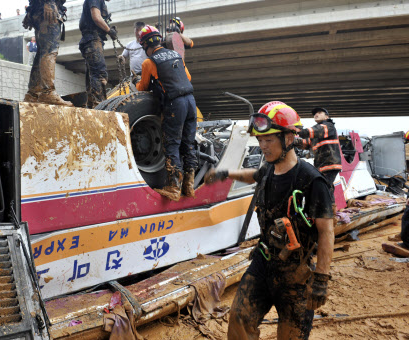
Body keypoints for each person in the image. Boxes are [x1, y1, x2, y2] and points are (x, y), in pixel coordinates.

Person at [205, 101, 335, 339]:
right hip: (263, 264)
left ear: (288, 138)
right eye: (260, 141)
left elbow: (326, 230)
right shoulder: (269, 170)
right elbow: (253, 175)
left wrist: (322, 279)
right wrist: (225, 173)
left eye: (269, 140)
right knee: (239, 320)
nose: (263, 146)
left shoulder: (312, 181)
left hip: (296, 274)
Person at [136, 25, 197, 201]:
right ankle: (189, 186)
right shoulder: (176, 55)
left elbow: (143, 87)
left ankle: (174, 188)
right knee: (188, 143)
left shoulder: (149, 62)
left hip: (175, 104)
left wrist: (137, 81)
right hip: (190, 101)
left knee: (172, 144)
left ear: (146, 45)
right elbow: (188, 77)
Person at [22, 0, 73, 106]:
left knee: (42, 52)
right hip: (47, 8)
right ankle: (48, 92)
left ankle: (33, 94)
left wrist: (32, 9)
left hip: (39, 9)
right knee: (50, 51)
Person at [294, 107, 342, 196]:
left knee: (323, 187)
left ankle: (327, 207)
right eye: (315, 113)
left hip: (330, 164)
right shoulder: (316, 134)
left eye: (320, 113)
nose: (316, 114)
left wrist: (298, 131)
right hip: (321, 165)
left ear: (326, 117)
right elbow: (305, 143)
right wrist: (292, 141)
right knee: (327, 187)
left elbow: (315, 130)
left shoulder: (329, 126)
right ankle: (330, 207)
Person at [79, 0, 117, 108]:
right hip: (92, 39)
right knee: (99, 75)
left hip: (91, 40)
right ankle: (100, 107)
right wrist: (109, 30)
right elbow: (96, 17)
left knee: (92, 76)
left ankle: (92, 107)